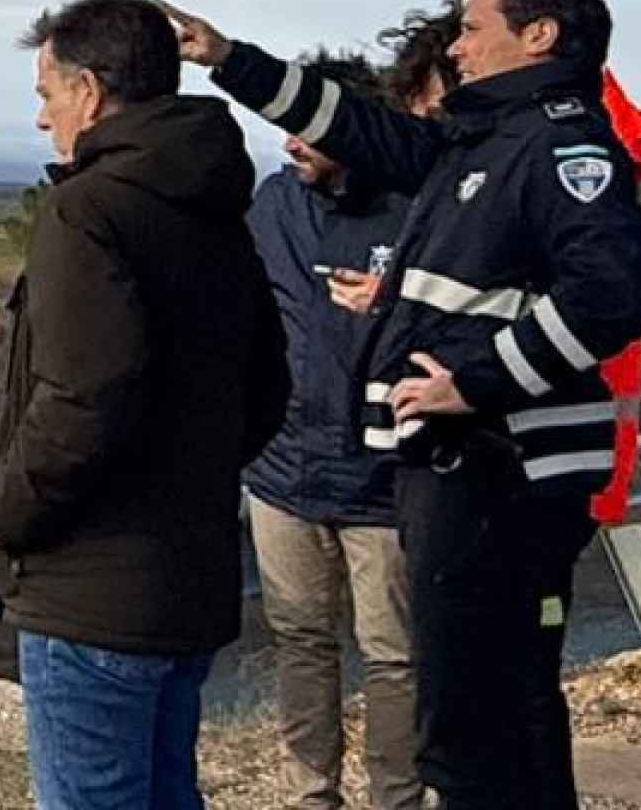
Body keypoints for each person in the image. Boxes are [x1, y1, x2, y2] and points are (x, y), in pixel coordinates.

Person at [159, 0, 641, 810]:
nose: (457, 49)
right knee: (502, 706)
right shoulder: (487, 142)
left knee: (471, 722)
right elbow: (362, 131)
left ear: (538, 36)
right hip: (465, 469)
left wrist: (476, 383)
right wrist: (227, 58)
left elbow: (616, 291)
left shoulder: (557, 146)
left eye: (472, 29)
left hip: (499, 472)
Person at [0, 0, 291, 810]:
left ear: (89, 92)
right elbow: (268, 388)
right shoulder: (217, 210)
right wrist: (188, 471)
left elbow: (86, 392)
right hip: (186, 582)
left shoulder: (84, 210)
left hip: (90, 590)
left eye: (47, 94)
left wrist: (8, 510)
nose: (42, 119)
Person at [242, 52, 428, 810]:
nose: (290, 143)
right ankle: (310, 795)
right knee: (300, 639)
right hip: (283, 470)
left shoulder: (416, 208)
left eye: (306, 129)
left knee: (394, 656)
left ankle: (396, 798)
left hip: (385, 475)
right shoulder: (273, 203)